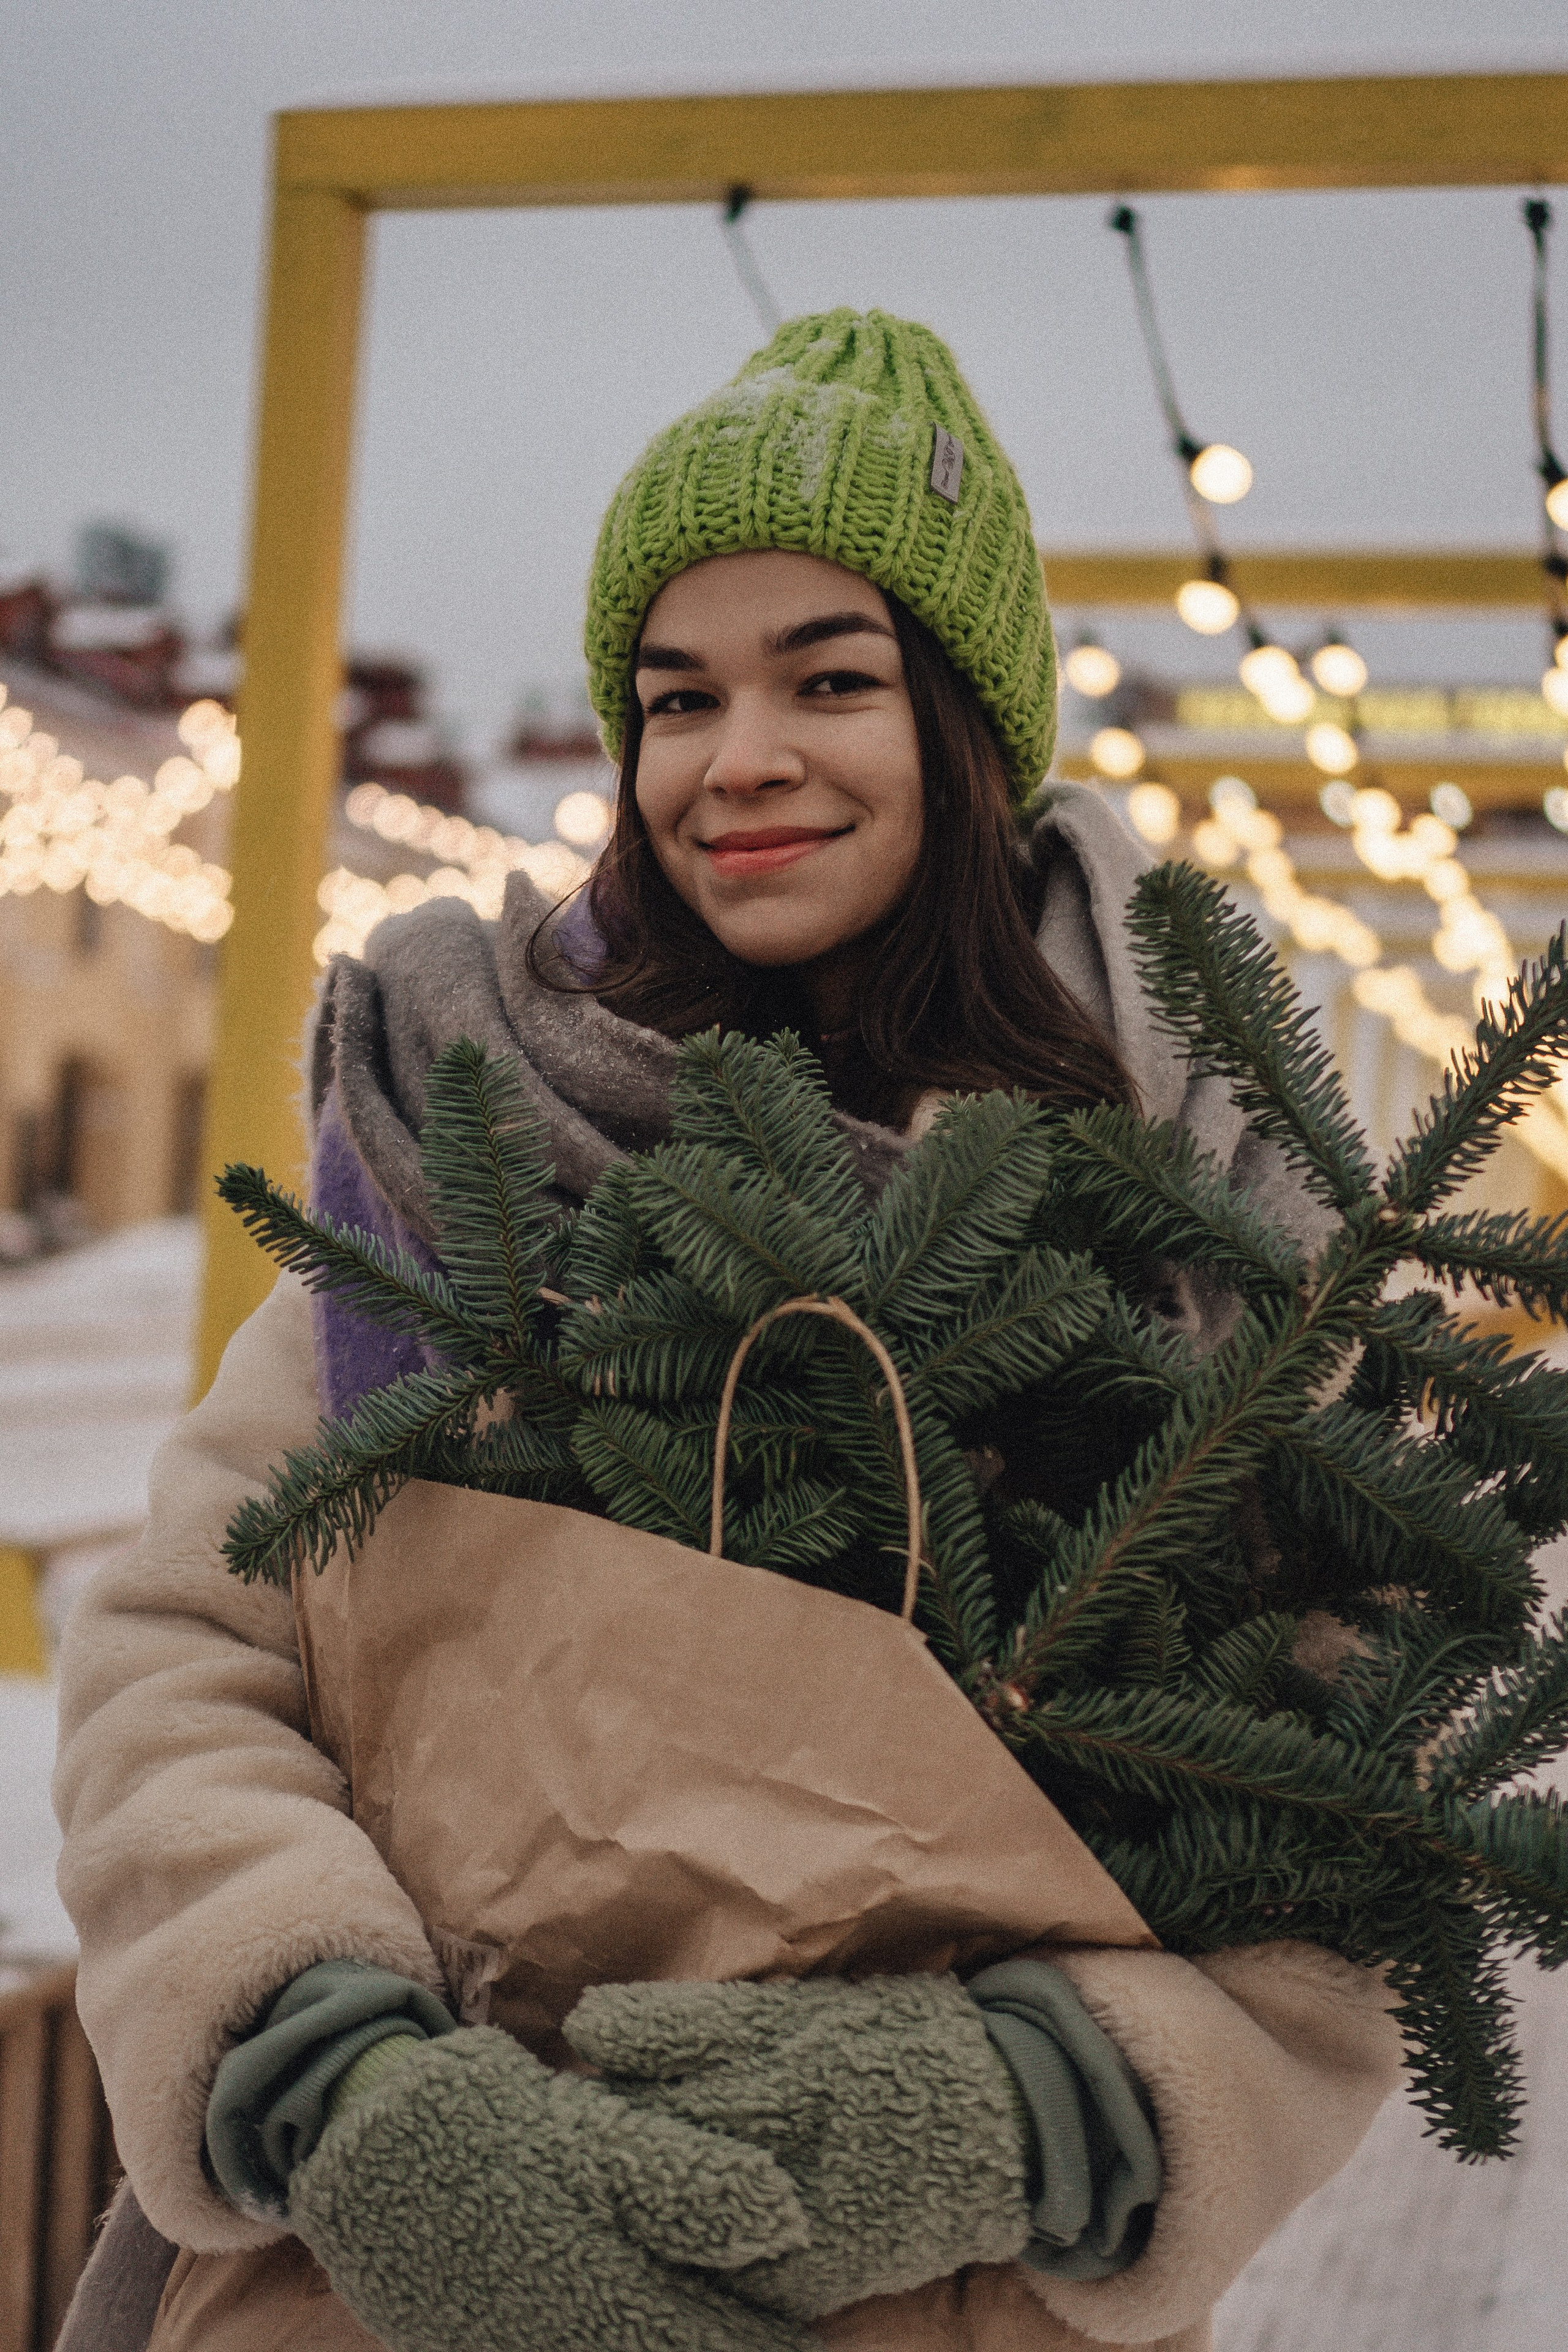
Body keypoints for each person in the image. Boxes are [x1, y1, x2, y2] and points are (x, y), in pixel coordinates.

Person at [55, 309, 1403, 2352]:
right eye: (675, 698)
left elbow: (1342, 1779)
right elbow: (191, 1650)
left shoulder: (1193, 1193)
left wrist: (1034, 2101)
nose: (736, 757)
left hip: (948, 2300)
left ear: (963, 726)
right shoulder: (470, 1131)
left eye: (828, 680)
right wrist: (334, 2071)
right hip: (408, 2280)